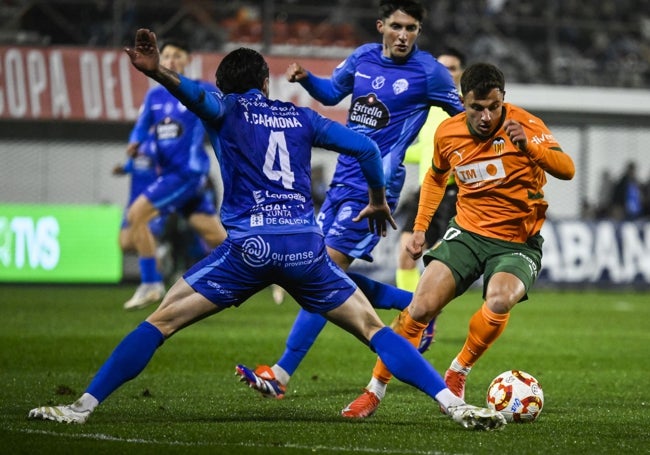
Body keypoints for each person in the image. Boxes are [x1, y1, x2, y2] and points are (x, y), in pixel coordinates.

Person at [26, 29, 505, 431]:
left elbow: (190, 94)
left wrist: (155, 71)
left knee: (160, 321)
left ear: (225, 87)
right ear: (263, 81)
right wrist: (378, 200)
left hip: (249, 249)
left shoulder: (224, 108)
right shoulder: (298, 116)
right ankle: (454, 403)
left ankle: (81, 408)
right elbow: (362, 146)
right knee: (374, 331)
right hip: (303, 246)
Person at [235, 0, 464, 399]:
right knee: (318, 274)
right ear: (381, 25)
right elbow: (331, 92)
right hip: (343, 180)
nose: (403, 35)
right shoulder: (361, 58)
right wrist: (307, 80)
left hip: (375, 189)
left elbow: (463, 116)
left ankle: (281, 373)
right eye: (396, 26)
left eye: (411, 28)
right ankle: (418, 307)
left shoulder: (430, 72)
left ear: (419, 32)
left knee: (317, 273)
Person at [340, 62, 576, 418]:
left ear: (503, 101)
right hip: (466, 233)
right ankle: (374, 390)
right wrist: (420, 228)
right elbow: (436, 178)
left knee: (499, 299)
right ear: (463, 101)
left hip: (517, 241)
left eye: (493, 107)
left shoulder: (525, 125)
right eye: (475, 107)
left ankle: (459, 369)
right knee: (419, 308)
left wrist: (530, 148)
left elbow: (567, 168)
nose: (485, 116)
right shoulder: (448, 132)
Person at [122, 37, 227, 311]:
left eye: (177, 56)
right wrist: (135, 141)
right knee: (216, 237)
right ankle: (267, 271)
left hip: (186, 175)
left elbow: (222, 113)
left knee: (136, 215)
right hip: (170, 176)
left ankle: (151, 283)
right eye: (167, 55)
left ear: (188, 60)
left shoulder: (198, 91)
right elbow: (142, 126)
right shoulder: (154, 97)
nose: (171, 60)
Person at [395, 47, 465, 350]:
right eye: (443, 67)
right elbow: (421, 150)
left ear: (461, 72)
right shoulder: (427, 106)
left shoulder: (463, 108)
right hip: (426, 190)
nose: (448, 72)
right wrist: (391, 153)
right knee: (405, 254)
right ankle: (412, 315)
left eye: (453, 68)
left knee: (437, 260)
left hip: (453, 192)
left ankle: (426, 317)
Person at [112, 136, 172, 277]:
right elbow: (130, 166)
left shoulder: (160, 145)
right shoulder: (137, 146)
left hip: (151, 203)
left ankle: (155, 283)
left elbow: (169, 171)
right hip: (133, 204)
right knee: (125, 243)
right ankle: (160, 251)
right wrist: (121, 169)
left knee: (148, 239)